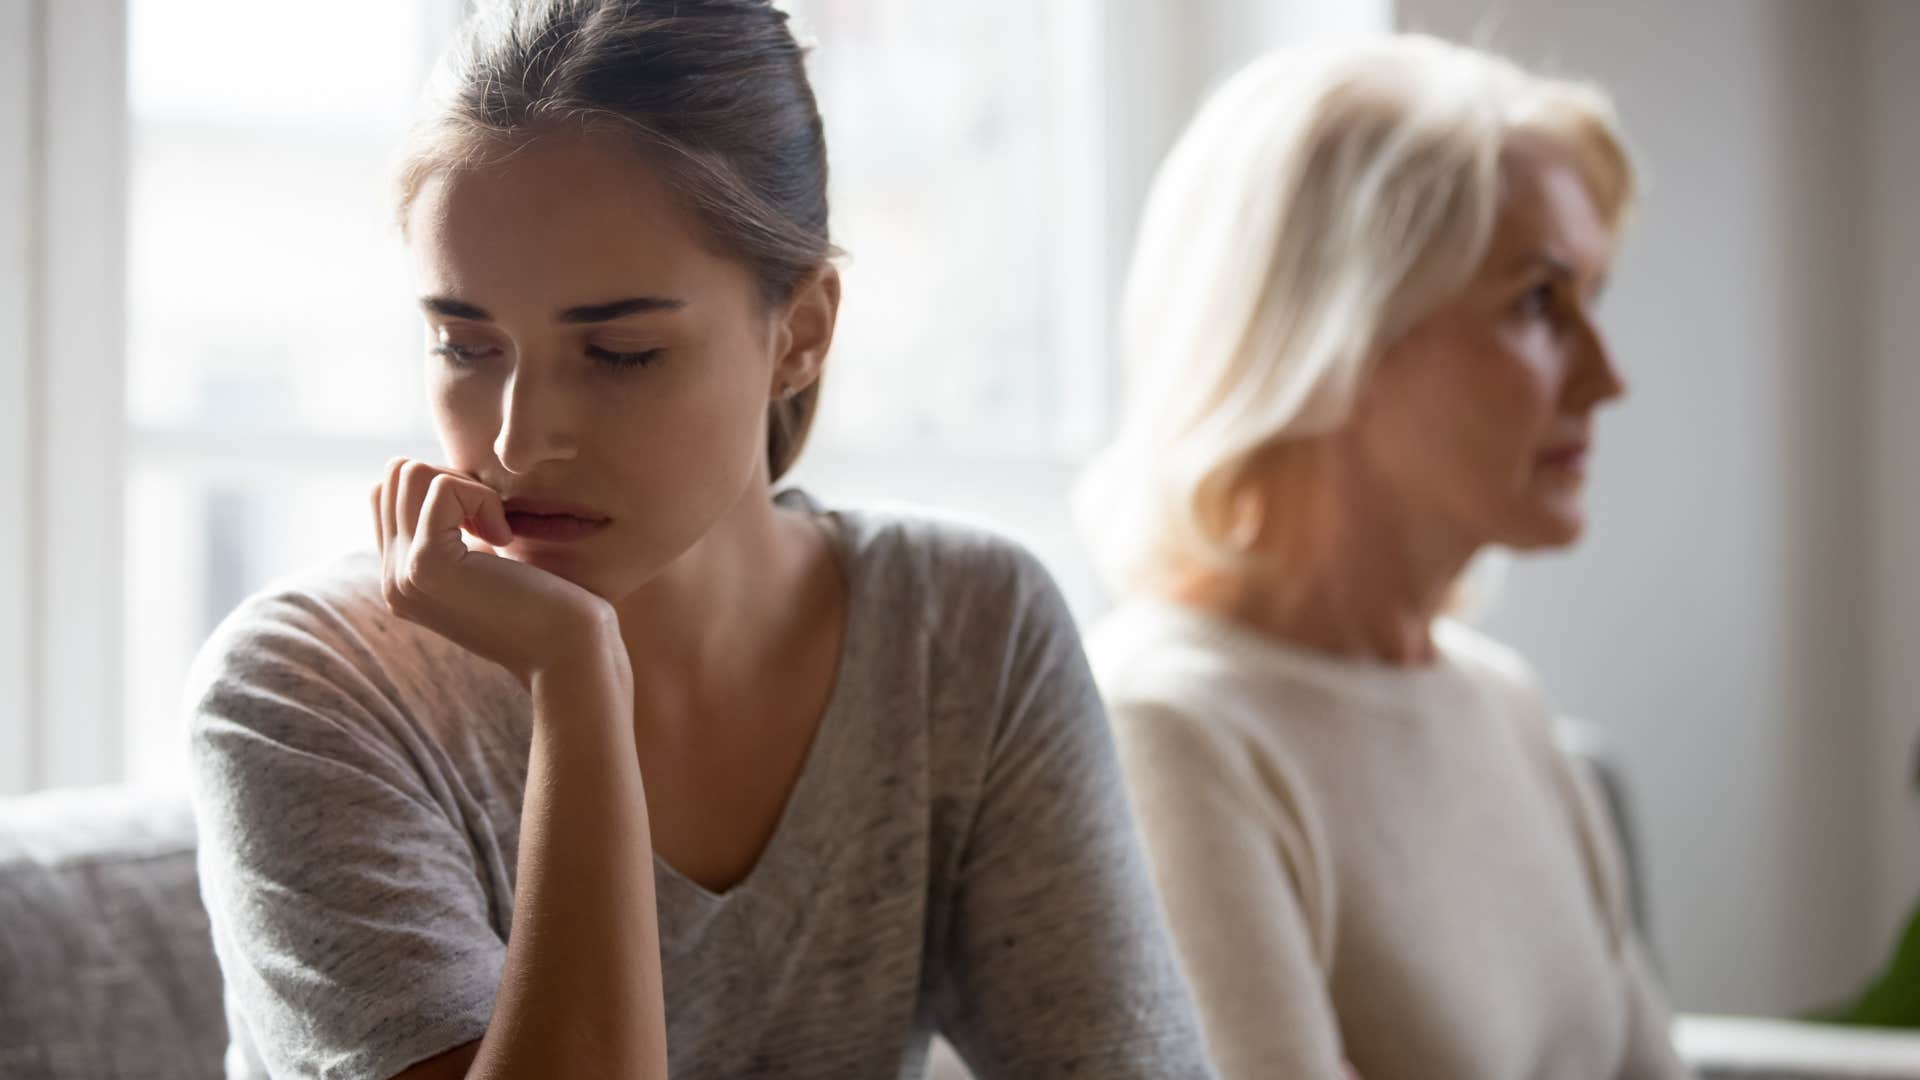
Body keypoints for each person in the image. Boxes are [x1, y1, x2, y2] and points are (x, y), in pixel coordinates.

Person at [185, 2, 1213, 1077]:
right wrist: (579, 680)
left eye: (620, 352)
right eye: (463, 342)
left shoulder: (962, 631)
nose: (519, 440)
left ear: (801, 333)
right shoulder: (301, 692)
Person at [1077, 35, 1690, 1080]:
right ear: (1337, 335)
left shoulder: (1503, 705)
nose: (1607, 377)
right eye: (1540, 303)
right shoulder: (1168, 733)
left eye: (1595, 298)